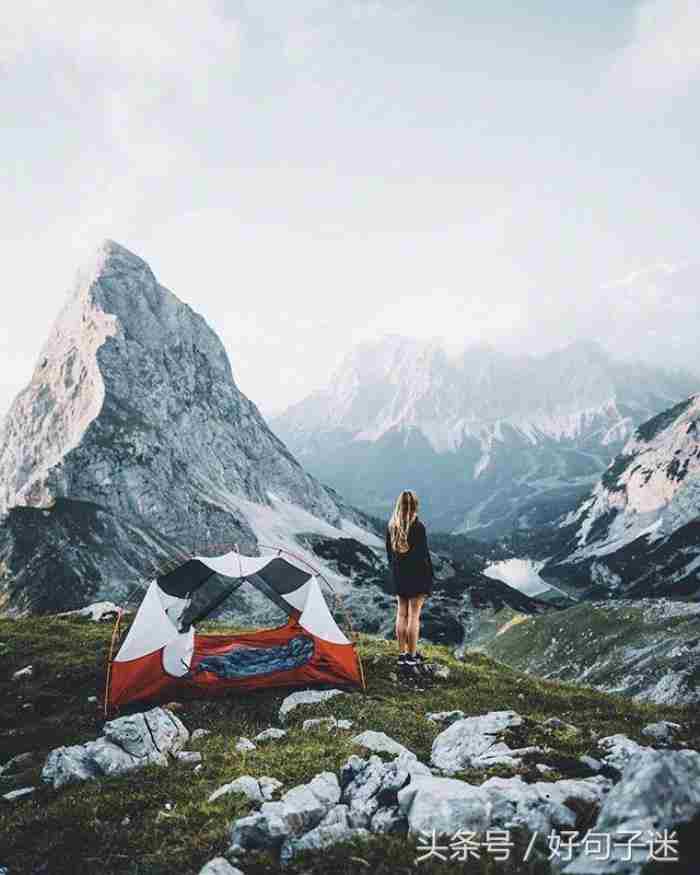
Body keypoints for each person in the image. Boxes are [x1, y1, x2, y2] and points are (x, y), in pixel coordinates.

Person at [385, 489, 434, 674]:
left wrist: (396, 572)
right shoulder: (418, 527)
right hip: (417, 576)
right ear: (415, 506)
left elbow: (390, 555)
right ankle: (412, 656)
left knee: (401, 614)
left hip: (399, 575)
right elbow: (424, 556)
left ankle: (402, 654)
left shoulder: (391, 525)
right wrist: (429, 576)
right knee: (414, 616)